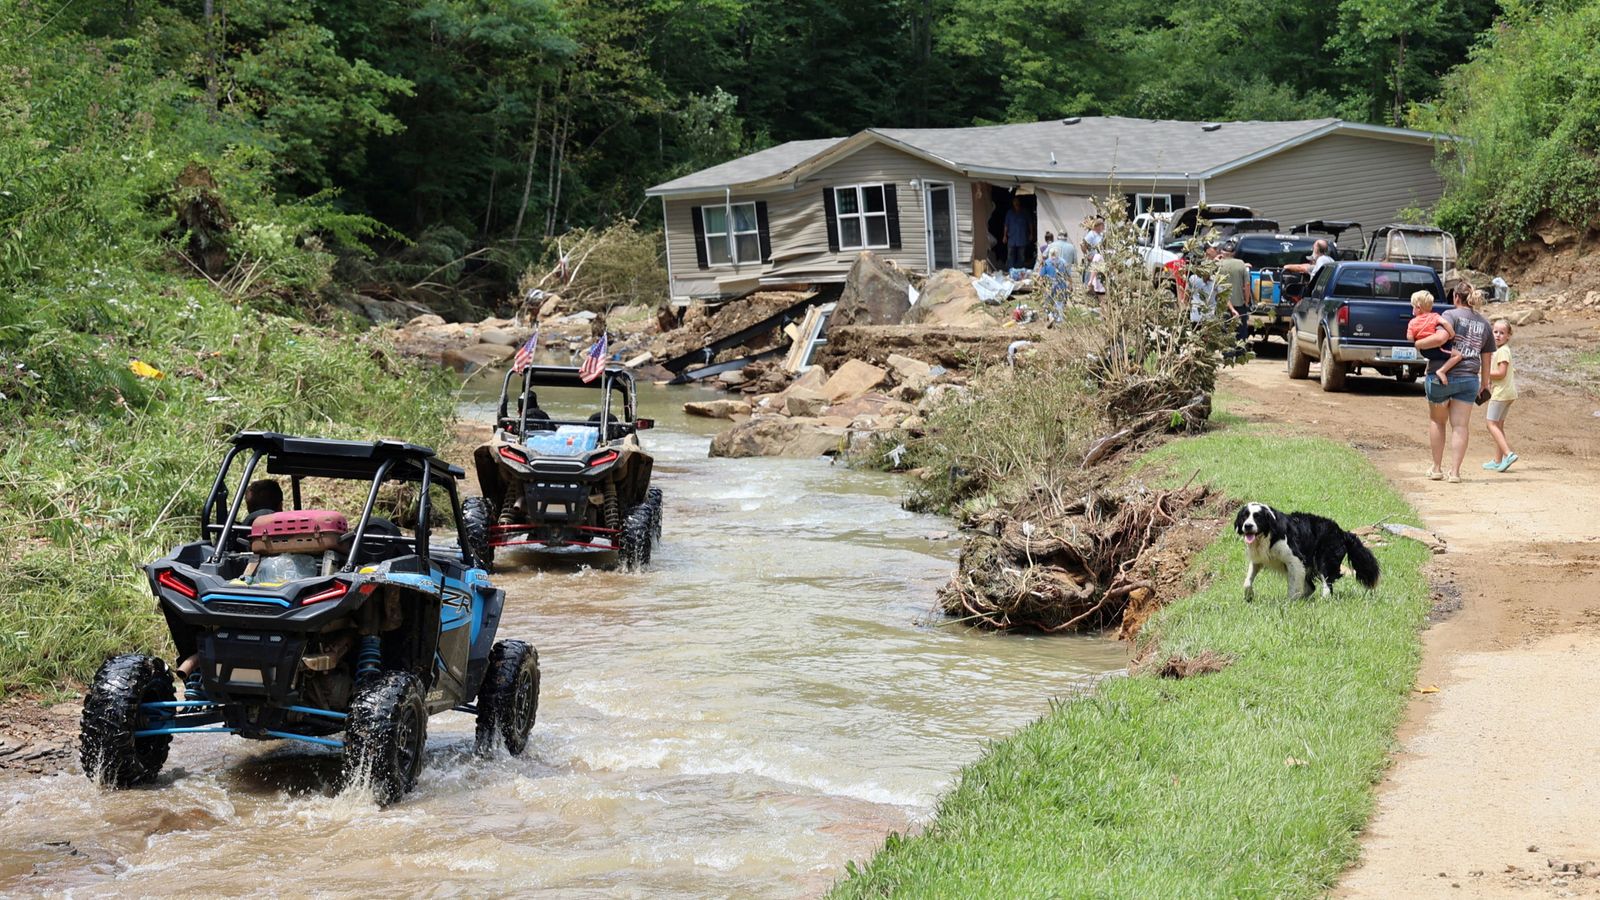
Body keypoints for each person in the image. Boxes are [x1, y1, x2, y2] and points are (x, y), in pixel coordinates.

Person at [1415, 284, 1496, 483]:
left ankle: (1436, 468)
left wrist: (1419, 344)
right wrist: (1484, 384)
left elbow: (1441, 337)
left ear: (1457, 297)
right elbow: (1487, 358)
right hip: (1469, 379)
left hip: (1441, 377)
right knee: (1460, 426)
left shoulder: (1449, 315)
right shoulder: (1484, 323)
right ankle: (1455, 473)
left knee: (1437, 422)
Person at [1483, 318, 1519, 472]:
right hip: (1508, 393)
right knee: (1498, 425)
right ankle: (1498, 461)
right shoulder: (1501, 350)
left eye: (1502, 333)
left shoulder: (1503, 351)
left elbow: (1501, 373)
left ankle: (1508, 454)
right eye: (1495, 332)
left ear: (1509, 335)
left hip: (1501, 394)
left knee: (1490, 424)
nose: (1498, 335)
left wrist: (1484, 372)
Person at [1406, 290, 1462, 385]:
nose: (1412, 310)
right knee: (1458, 355)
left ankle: (1427, 371)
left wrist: (1418, 340)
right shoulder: (1434, 316)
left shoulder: (1412, 322)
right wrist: (1452, 334)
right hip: (1436, 348)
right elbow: (1445, 323)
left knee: (1433, 358)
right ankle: (1442, 371)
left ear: (1418, 308)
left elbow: (1410, 338)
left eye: (1413, 308)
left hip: (1424, 351)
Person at [1215, 239, 1252, 351]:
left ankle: (1226, 353)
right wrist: (1246, 301)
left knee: (1224, 330)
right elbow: (1247, 285)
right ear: (1234, 253)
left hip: (1222, 304)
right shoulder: (1241, 264)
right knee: (1240, 331)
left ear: (1222, 252)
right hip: (1239, 303)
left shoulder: (1218, 265)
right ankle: (1240, 353)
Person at [1002, 197, 1031, 271]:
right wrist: (1004, 236)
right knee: (1010, 255)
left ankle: (1019, 271)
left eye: (1017, 201)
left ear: (1019, 202)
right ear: (1012, 203)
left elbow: (1030, 224)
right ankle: (1010, 271)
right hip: (1012, 238)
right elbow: (1006, 225)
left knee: (1021, 256)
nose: (1016, 203)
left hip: (1022, 238)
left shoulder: (1025, 212)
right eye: (1014, 201)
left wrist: (1031, 234)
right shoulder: (1009, 213)